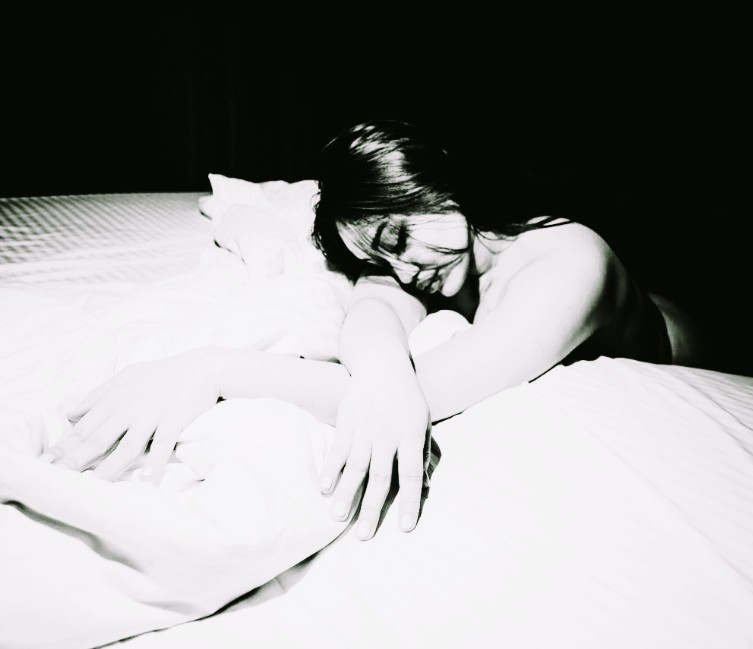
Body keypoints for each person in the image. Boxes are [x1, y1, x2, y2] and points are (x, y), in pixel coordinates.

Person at [40, 119, 704, 542]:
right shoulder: (423, 260)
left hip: (685, 335)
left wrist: (211, 368)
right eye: (382, 256)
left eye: (397, 236)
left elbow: (432, 392)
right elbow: (373, 308)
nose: (406, 268)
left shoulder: (568, 265)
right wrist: (383, 365)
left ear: (440, 189)